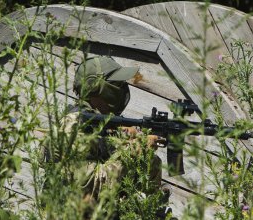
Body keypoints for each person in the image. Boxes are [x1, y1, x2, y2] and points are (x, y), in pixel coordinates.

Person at [44, 56, 170, 218]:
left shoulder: (103, 125)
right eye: (117, 84)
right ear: (96, 87)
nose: (122, 88)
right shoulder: (74, 127)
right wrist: (133, 151)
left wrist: (146, 157)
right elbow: (90, 185)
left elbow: (135, 183)